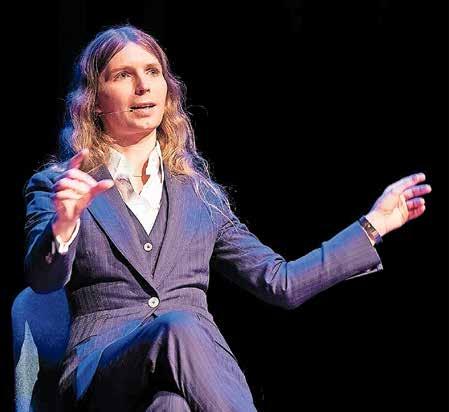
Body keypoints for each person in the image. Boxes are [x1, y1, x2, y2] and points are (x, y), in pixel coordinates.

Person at [23, 24, 432, 412]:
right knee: (179, 326)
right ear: (94, 100)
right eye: (123, 75)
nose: (143, 85)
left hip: (186, 373)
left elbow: (281, 282)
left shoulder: (200, 197)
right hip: (103, 373)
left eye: (152, 72)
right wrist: (64, 225)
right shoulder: (61, 186)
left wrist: (373, 225)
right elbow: (42, 282)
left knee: (170, 404)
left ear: (167, 91)